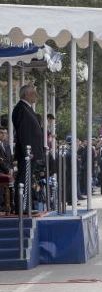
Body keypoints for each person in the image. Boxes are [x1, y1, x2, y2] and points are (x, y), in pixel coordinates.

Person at [12, 84, 44, 212]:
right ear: (27, 94)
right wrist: (27, 151)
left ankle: (27, 205)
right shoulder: (21, 109)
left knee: (28, 179)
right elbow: (24, 132)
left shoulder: (27, 108)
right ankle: (22, 206)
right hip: (27, 153)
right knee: (23, 178)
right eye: (34, 93)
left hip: (31, 152)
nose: (36, 95)